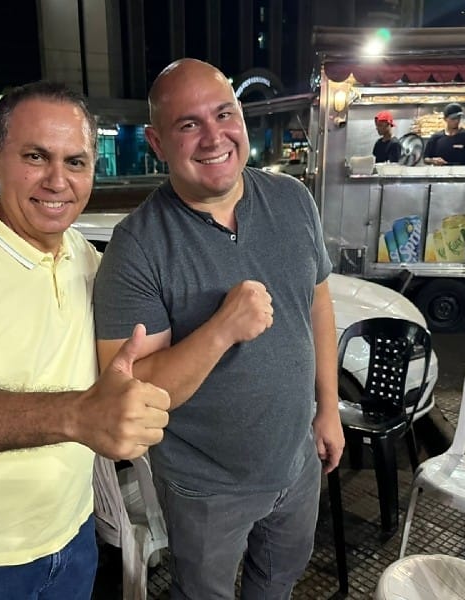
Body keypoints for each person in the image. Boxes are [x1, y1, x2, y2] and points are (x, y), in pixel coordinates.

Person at [0, 81, 170, 600]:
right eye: (36, 157)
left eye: (75, 162)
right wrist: (78, 415)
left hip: (74, 535)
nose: (57, 180)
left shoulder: (87, 258)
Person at [93, 58, 344, 599]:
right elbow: (129, 391)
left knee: (277, 581)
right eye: (189, 124)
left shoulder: (293, 200)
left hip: (297, 460)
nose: (213, 137)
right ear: (158, 143)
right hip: (205, 486)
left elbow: (318, 305)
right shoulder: (138, 246)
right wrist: (221, 330)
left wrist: (328, 408)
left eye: (224, 114)